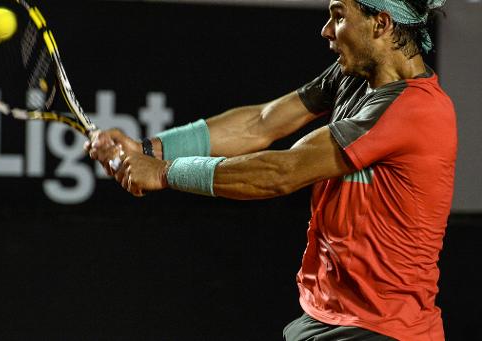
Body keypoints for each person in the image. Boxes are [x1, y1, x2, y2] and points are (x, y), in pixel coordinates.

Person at [86, 0, 456, 340]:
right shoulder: (352, 77)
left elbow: (283, 172)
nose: (327, 30)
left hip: (383, 330)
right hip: (326, 317)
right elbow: (261, 124)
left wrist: (166, 171)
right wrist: (148, 149)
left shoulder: (415, 110)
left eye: (339, 16)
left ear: (381, 23)